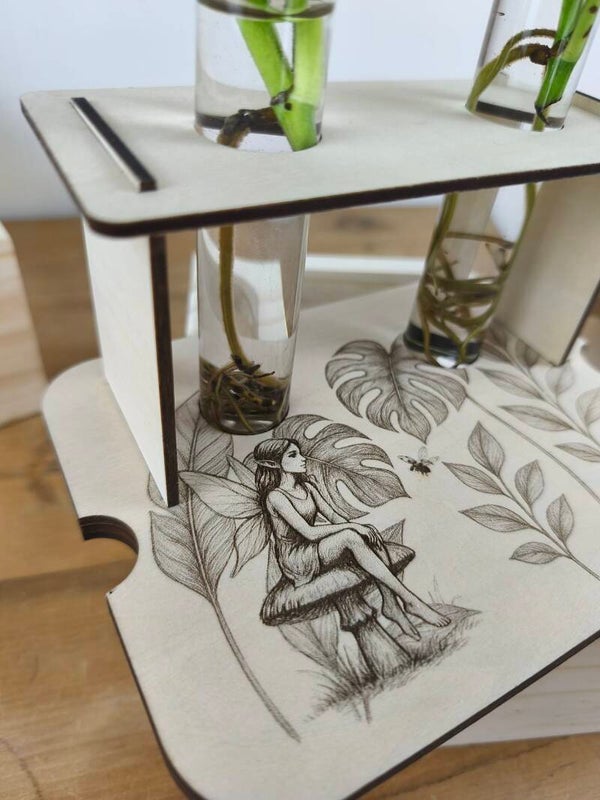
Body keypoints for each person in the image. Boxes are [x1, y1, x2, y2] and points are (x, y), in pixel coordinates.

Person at [254, 438, 449, 637]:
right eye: (293, 455)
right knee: (349, 535)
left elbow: (334, 516)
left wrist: (361, 529)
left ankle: (392, 605)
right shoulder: (276, 497)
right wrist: (352, 527)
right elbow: (308, 532)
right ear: (272, 464)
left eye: (299, 453)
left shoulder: (307, 488)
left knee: (368, 536)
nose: (302, 458)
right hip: (297, 558)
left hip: (317, 548)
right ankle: (410, 600)